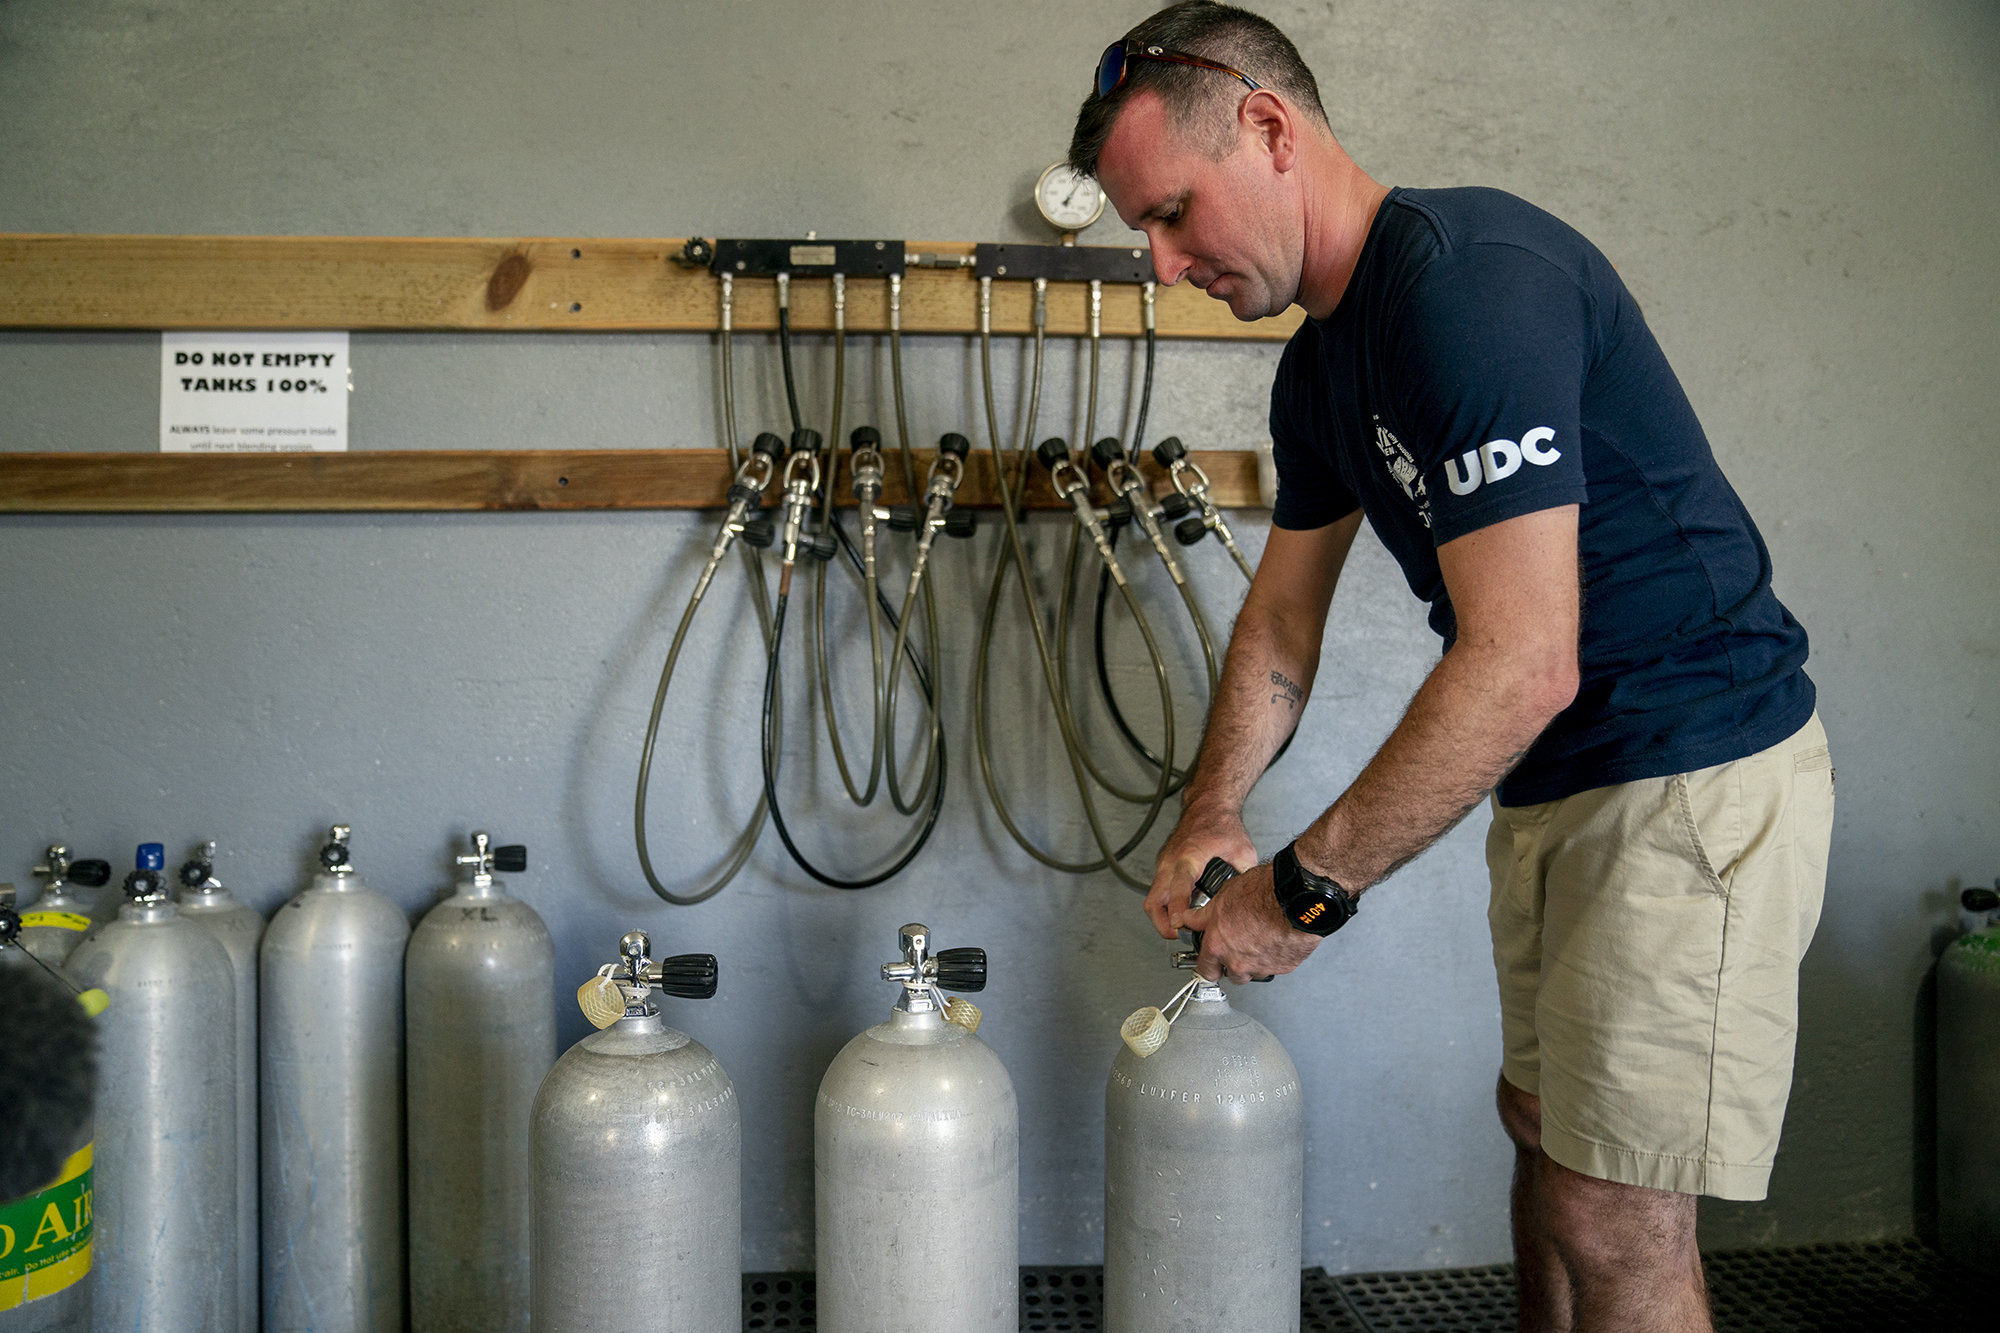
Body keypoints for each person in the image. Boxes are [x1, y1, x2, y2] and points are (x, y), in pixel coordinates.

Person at [1068, 4, 1835, 1331]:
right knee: (1543, 1132)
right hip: (1565, 782)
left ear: (1268, 127)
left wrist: (1299, 890)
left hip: (1688, 767)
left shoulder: (1466, 285)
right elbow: (1280, 627)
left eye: (1175, 213)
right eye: (1144, 228)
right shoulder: (1321, 372)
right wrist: (1212, 817)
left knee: (1618, 1218)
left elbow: (1527, 659)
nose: (1160, 260)